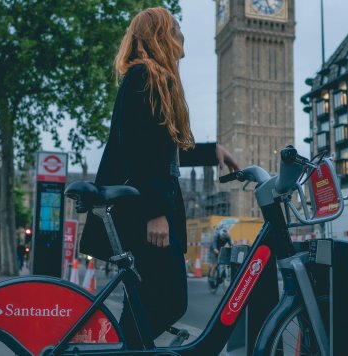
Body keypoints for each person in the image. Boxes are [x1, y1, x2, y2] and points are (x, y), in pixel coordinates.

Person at [80, 7, 239, 348]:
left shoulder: (151, 79)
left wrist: (213, 152)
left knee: (143, 304)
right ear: (160, 36)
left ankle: (129, 350)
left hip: (141, 208)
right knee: (169, 300)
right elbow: (140, 150)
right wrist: (156, 212)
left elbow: (165, 147)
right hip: (142, 213)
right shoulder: (146, 79)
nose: (182, 36)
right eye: (176, 28)